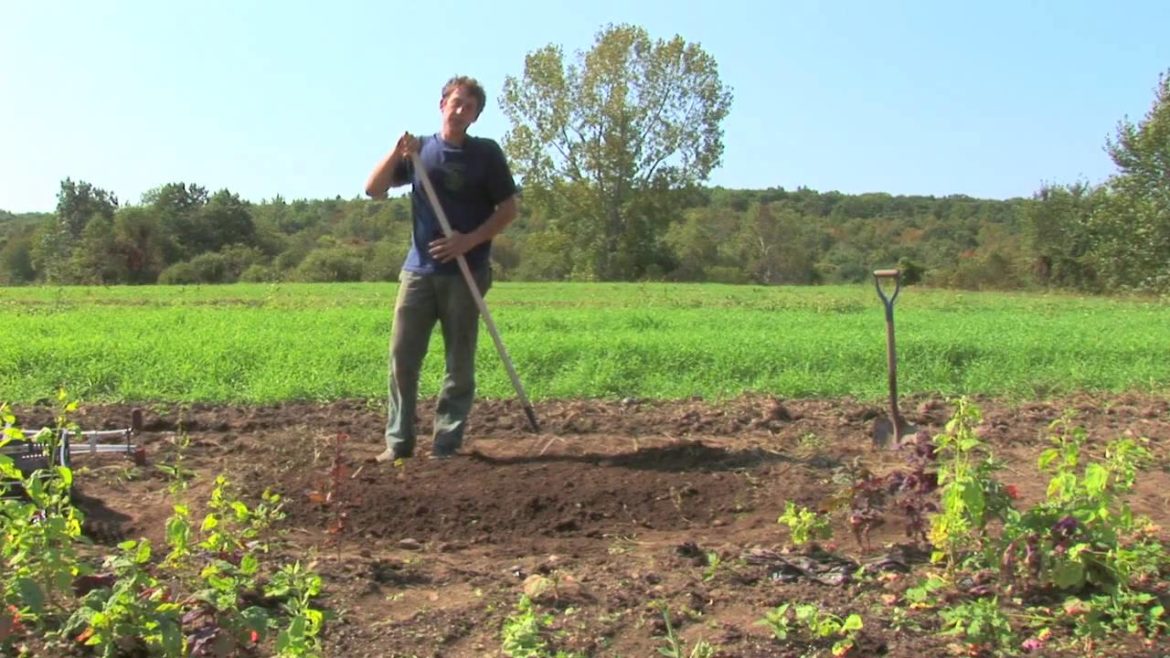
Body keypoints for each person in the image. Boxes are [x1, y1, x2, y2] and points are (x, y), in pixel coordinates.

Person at [364, 75, 518, 460]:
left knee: (459, 362)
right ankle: (398, 443)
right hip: (418, 271)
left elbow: (508, 210)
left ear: (476, 116)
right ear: (442, 104)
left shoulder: (486, 154)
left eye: (470, 106)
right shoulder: (420, 153)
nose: (461, 110)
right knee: (402, 358)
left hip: (467, 272)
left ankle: (446, 445)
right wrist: (397, 151)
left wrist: (469, 240)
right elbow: (373, 189)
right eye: (457, 102)